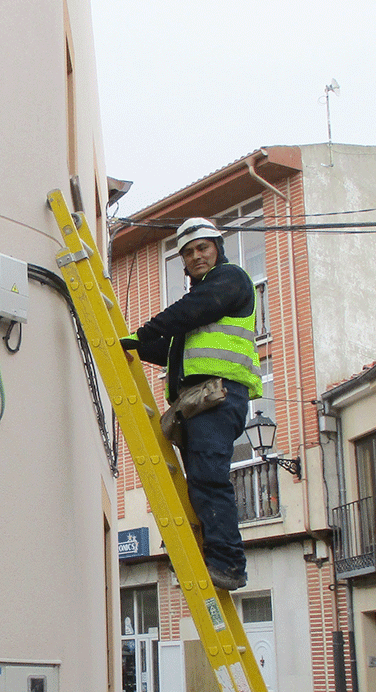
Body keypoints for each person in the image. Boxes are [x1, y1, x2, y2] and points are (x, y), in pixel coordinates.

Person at [121, 218, 261, 591]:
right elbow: (170, 349)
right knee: (200, 479)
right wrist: (130, 344)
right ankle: (204, 548)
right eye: (188, 252)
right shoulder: (199, 313)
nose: (196, 255)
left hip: (218, 396)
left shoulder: (230, 279)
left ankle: (229, 564)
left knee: (211, 478)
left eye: (202, 247)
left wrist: (140, 333)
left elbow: (189, 310)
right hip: (199, 401)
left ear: (217, 247)